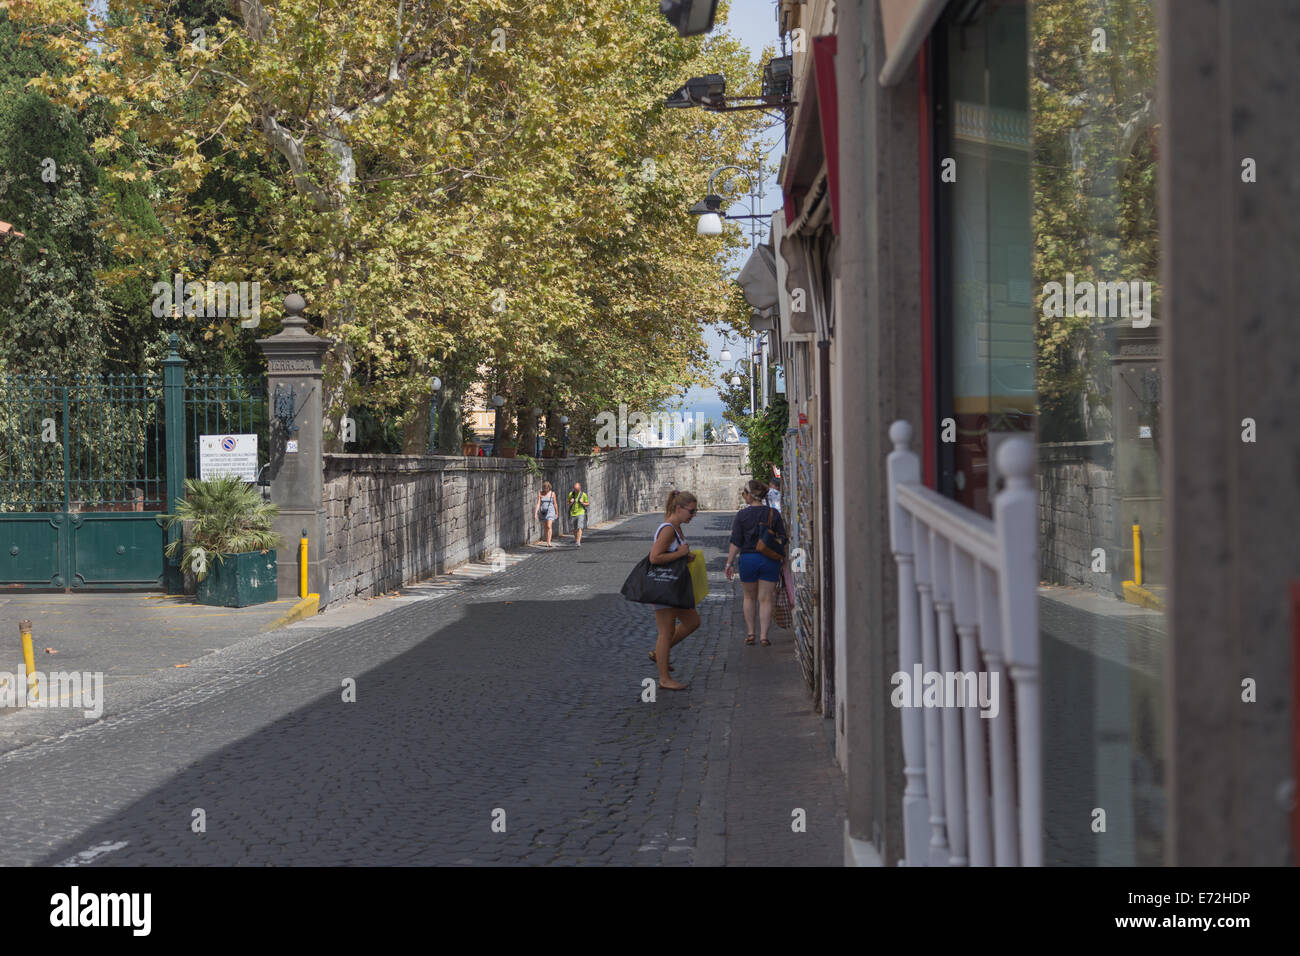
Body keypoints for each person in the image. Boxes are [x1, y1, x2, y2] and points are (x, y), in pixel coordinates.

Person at [648, 489, 700, 691]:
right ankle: (664, 678)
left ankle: (659, 653)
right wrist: (679, 554)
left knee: (692, 621)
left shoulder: (676, 527)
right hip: (664, 586)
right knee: (666, 631)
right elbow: (654, 557)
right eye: (691, 511)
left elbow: (674, 553)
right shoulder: (668, 528)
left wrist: (684, 556)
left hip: (674, 586)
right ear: (678, 508)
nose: (693, 515)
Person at [725, 479, 787, 647]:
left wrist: (729, 563)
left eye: (743, 494)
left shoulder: (742, 515)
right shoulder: (774, 514)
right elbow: (783, 538)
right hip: (769, 559)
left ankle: (751, 632)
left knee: (749, 597)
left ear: (748, 496)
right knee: (766, 599)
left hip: (748, 559)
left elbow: (736, 541)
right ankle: (764, 636)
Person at [534, 481, 558, 547]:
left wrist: (557, 512)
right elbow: (538, 503)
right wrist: (535, 513)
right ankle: (547, 539)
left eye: (547, 488)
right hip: (543, 512)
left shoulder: (552, 494)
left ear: (549, 488)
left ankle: (549, 542)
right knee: (545, 527)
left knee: (549, 526)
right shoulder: (540, 493)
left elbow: (555, 504)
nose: (545, 489)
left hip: (550, 511)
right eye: (544, 488)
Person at [567, 482, 590, 546]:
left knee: (579, 527)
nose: (576, 490)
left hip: (581, 512)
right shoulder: (571, 494)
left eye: (577, 489)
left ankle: (578, 542)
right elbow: (568, 504)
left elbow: (588, 503)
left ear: (580, 488)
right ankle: (576, 539)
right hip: (573, 513)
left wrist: (582, 503)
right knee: (574, 529)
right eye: (575, 489)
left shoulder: (583, 494)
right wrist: (571, 502)